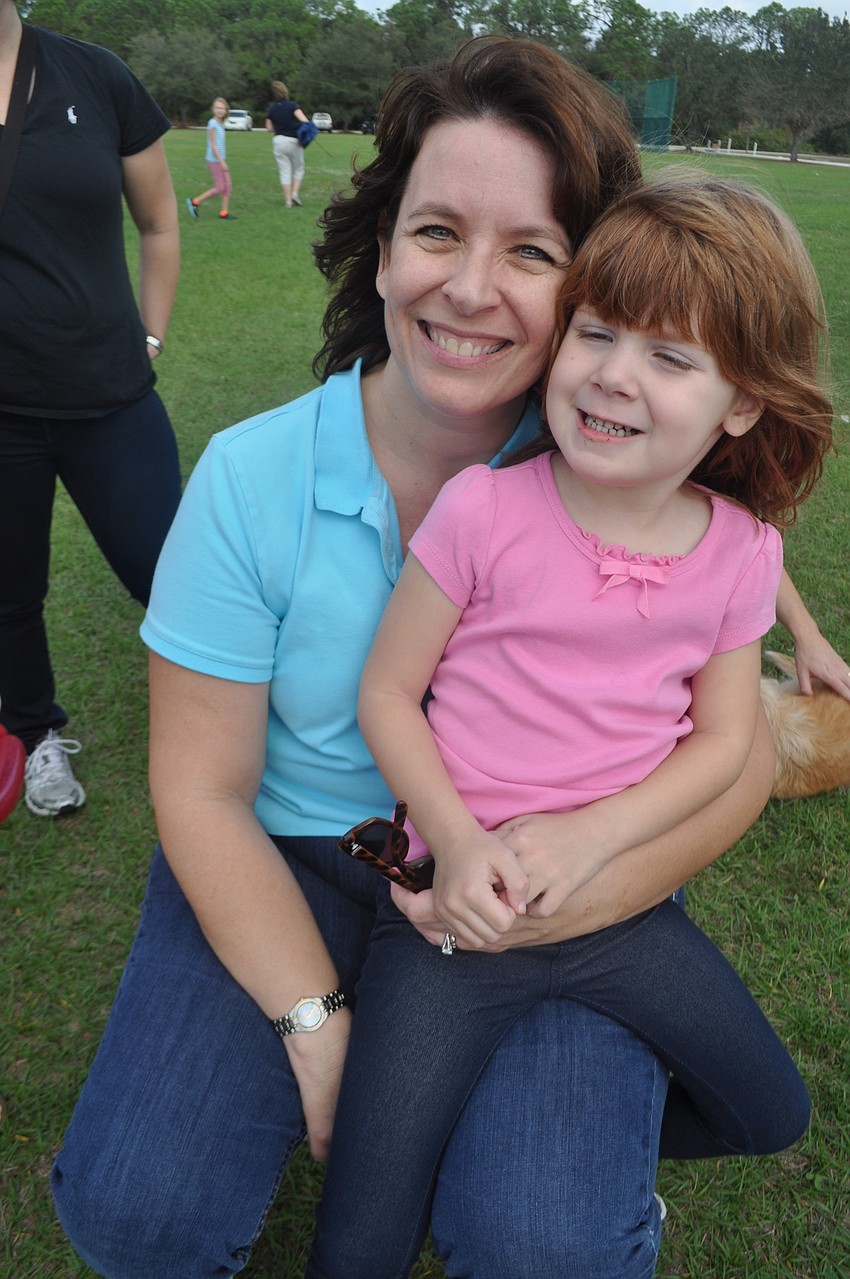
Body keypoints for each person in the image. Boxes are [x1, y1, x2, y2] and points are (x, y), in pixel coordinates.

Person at [51, 37, 846, 1279]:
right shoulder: (253, 477)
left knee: (548, 1245)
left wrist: (588, 889)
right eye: (436, 233)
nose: (473, 289)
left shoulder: (616, 447)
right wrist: (316, 1024)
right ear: (380, 250)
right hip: (293, 855)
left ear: (591, 281)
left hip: (543, 880)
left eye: (531, 251)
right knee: (136, 1218)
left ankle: (572, 1149)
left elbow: (725, 703)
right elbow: (201, 788)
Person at [305, 171, 832, 1277]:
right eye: (596, 332)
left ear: (740, 401)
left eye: (669, 357)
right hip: (452, 925)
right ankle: (440, 1151)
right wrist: (457, 842)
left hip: (620, 914)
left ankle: (546, 1156)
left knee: (768, 1113)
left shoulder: (741, 552)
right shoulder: (487, 510)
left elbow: (723, 743)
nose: (612, 374)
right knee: (360, 1239)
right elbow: (388, 694)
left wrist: (593, 841)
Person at [0, 5, 182, 818]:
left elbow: (158, 220)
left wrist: (150, 333)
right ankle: (33, 732)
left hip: (110, 397)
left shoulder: (95, 76)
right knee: (8, 594)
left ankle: (246, 720)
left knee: (177, 577)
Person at [186, 97, 236, 220]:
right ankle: (195, 201)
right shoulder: (212, 123)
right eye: (217, 107)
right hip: (215, 160)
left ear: (226, 110)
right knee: (220, 187)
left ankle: (224, 212)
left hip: (220, 159)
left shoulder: (220, 123)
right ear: (213, 109)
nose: (220, 110)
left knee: (228, 186)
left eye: (222, 108)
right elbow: (213, 145)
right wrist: (221, 161)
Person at [265, 79, 309, 208]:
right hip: (293, 141)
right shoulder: (292, 105)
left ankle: (288, 202)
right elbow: (305, 120)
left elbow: (268, 128)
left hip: (278, 141)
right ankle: (294, 193)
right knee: (298, 169)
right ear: (285, 91)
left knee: (285, 171)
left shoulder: (272, 109)